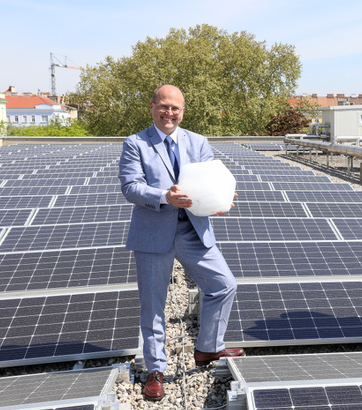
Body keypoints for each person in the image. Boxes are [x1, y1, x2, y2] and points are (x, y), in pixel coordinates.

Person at [118, 84, 244, 401]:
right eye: (164, 106)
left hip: (193, 231)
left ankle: (208, 348)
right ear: (152, 107)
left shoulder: (198, 142)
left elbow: (211, 178)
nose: (169, 113)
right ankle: (156, 370)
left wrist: (221, 200)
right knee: (153, 308)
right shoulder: (136, 144)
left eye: (175, 108)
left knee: (224, 284)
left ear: (182, 111)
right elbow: (131, 187)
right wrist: (165, 197)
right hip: (153, 234)